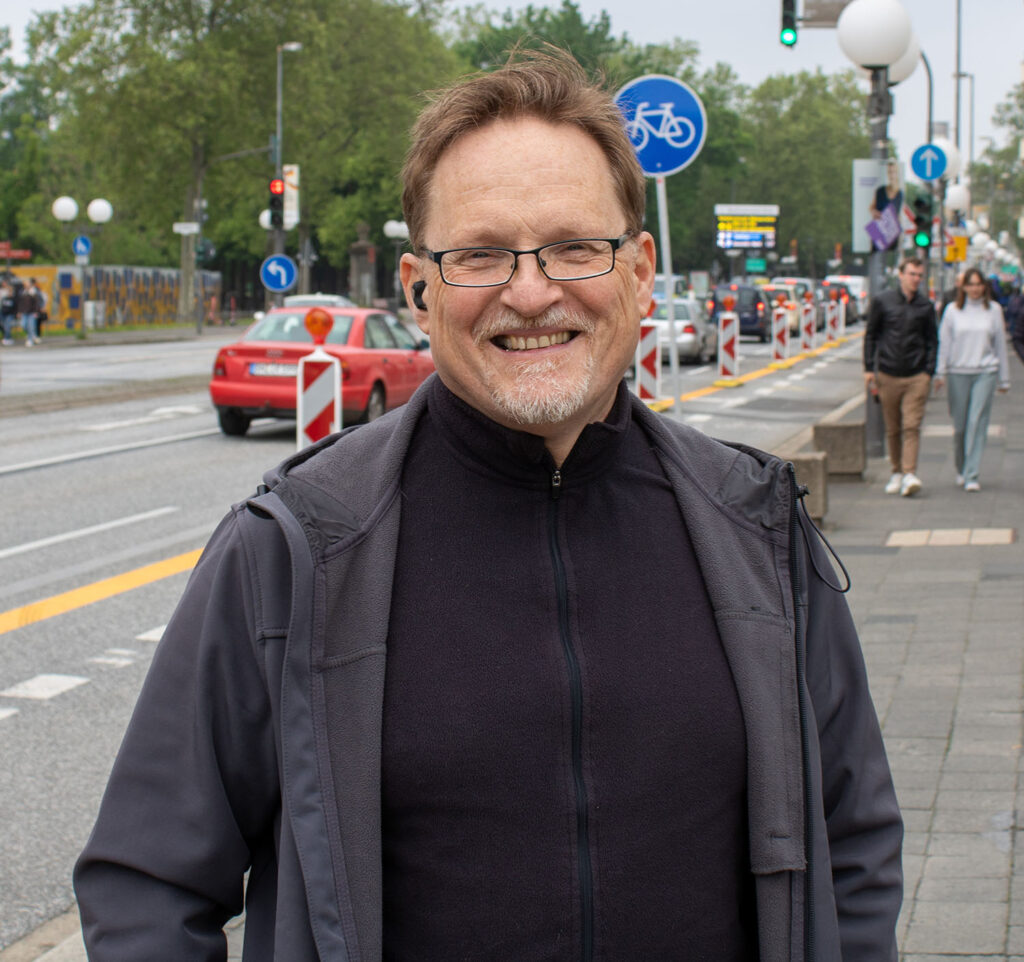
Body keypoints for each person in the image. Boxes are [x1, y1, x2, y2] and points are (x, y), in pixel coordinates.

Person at [75, 50, 902, 961]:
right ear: (419, 288)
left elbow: (853, 845)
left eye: (575, 247)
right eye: (479, 254)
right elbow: (147, 884)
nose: (532, 291)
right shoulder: (295, 551)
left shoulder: (756, 527)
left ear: (640, 269)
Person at [864, 256, 938, 496]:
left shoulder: (925, 306)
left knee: (912, 426)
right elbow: (871, 335)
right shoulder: (883, 301)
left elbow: (932, 341)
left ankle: (909, 473)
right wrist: (868, 368)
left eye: (919, 275)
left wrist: (928, 371)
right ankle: (896, 471)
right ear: (901, 275)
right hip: (888, 373)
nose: (916, 279)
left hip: (917, 375)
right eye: (912, 274)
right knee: (893, 428)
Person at [934, 267, 1011, 491]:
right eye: (971, 284)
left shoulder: (994, 310)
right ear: (963, 287)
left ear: (984, 287)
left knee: (977, 422)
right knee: (960, 426)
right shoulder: (952, 311)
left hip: (985, 372)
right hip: (958, 372)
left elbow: (1000, 346)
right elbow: (944, 343)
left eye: (979, 284)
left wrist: (1003, 379)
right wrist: (940, 372)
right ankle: (961, 467)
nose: (975, 289)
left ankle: (972, 474)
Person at [16, 276, 41, 346]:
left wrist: (36, 311)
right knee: (23, 325)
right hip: (24, 312)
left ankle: (30, 340)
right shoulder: (22, 292)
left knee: (31, 326)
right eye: (25, 284)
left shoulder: (34, 291)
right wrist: (19, 311)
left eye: (28, 283)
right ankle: (32, 335)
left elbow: (37, 302)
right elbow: (20, 303)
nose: (26, 285)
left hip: (32, 312)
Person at [0, 278, 16, 345]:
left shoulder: (10, 290)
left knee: (7, 325)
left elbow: (14, 302)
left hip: (9, 312)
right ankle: (7, 337)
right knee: (3, 324)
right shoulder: (1, 291)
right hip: (2, 310)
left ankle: (7, 338)